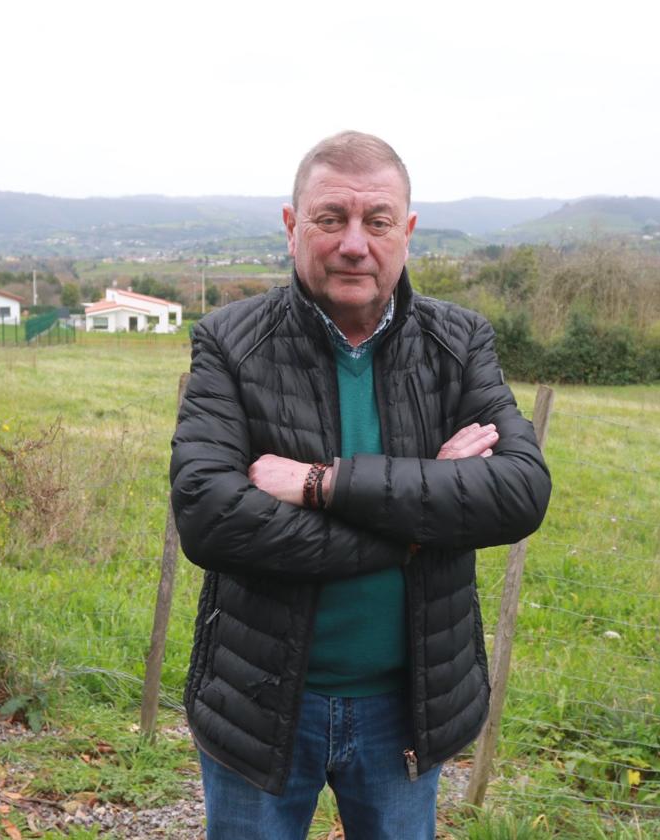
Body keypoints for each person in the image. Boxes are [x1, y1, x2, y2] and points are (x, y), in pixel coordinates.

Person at [169, 131, 551, 839]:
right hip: (257, 703)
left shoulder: (459, 344)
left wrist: (321, 483)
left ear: (405, 232)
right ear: (292, 228)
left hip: (405, 710)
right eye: (329, 218)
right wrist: (419, 518)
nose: (353, 243)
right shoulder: (230, 342)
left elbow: (521, 491)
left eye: (376, 221)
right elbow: (209, 516)